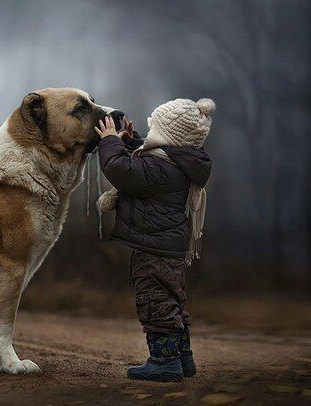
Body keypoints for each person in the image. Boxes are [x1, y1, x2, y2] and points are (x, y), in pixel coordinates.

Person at [95, 98, 215, 382]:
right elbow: (142, 163)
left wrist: (109, 142)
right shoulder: (176, 162)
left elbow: (120, 169)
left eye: (154, 129)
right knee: (172, 300)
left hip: (154, 248)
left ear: (168, 135)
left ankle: (164, 362)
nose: (149, 135)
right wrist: (130, 140)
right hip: (167, 246)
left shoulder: (161, 169)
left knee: (155, 301)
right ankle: (183, 358)